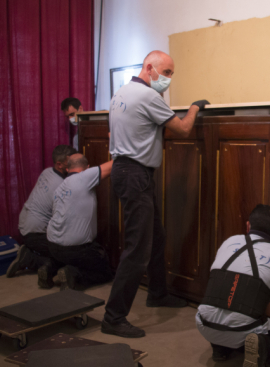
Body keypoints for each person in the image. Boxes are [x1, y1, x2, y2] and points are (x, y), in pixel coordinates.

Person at [102, 49, 210, 338]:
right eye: (166, 73)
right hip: (135, 174)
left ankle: (158, 294)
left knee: (156, 238)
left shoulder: (120, 93)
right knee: (137, 249)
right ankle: (113, 317)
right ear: (149, 67)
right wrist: (195, 107)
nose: (168, 79)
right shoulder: (148, 97)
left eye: (171, 74)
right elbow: (184, 129)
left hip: (127, 171)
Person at [196, 204, 270, 366]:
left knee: (225, 303)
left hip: (204, 323)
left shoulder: (228, 242)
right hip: (242, 330)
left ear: (248, 226)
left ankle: (220, 348)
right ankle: (264, 348)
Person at [9, 144, 77, 288]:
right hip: (36, 233)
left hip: (24, 225)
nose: (74, 166)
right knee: (68, 255)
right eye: (70, 163)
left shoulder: (47, 172)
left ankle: (30, 256)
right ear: (59, 164)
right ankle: (31, 259)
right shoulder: (62, 186)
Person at [46, 153, 114, 291]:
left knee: (68, 258)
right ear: (87, 168)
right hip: (75, 249)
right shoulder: (84, 177)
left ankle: (49, 269)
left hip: (52, 245)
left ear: (67, 169)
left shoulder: (59, 187)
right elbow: (115, 165)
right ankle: (73, 275)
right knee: (105, 271)